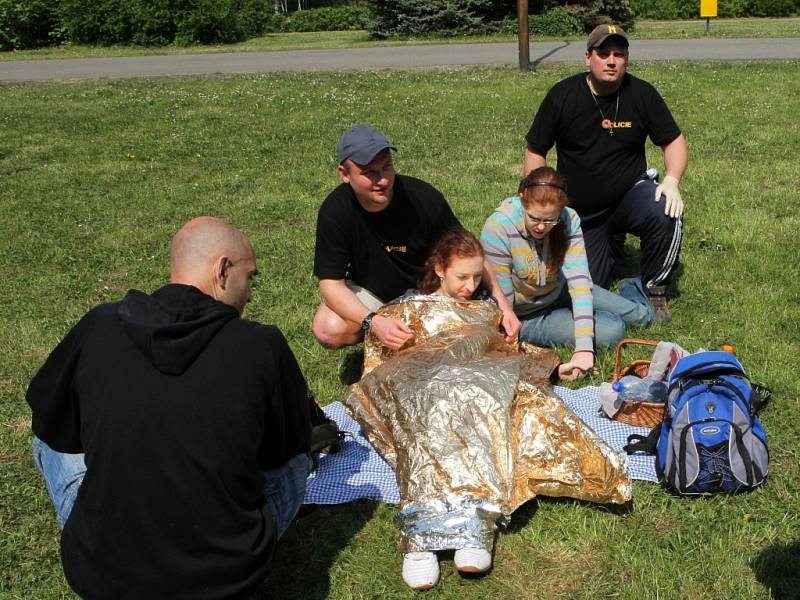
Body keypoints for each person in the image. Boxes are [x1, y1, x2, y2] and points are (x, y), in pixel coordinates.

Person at [27, 216, 319, 599]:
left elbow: (52, 423)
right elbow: (280, 452)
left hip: (103, 577)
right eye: (250, 278)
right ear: (222, 269)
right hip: (227, 578)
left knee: (47, 431)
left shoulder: (100, 324)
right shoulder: (261, 345)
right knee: (299, 458)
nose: (249, 294)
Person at [523, 24, 688, 321]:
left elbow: (673, 139)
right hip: (581, 211)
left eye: (618, 54)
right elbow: (536, 149)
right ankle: (613, 251)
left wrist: (672, 179)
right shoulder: (563, 95)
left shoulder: (642, 94)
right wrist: (535, 196)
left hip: (629, 195)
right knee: (587, 287)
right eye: (603, 53)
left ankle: (654, 289)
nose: (611, 60)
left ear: (626, 59)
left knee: (666, 210)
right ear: (588, 58)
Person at [312, 124, 520, 352]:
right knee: (327, 329)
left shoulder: (423, 199)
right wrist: (374, 321)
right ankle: (386, 340)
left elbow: (470, 253)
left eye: (387, 167)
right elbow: (331, 284)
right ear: (344, 174)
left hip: (429, 293)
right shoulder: (335, 211)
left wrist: (504, 307)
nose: (382, 180)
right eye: (369, 173)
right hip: (374, 296)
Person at [481, 167, 654, 380]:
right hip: (527, 315)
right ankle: (603, 311)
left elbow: (579, 283)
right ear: (522, 200)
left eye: (550, 220)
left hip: (559, 290)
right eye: (534, 218)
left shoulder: (569, 219)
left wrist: (584, 349)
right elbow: (505, 305)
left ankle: (631, 286)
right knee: (613, 330)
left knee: (642, 317)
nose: (541, 227)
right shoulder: (498, 228)